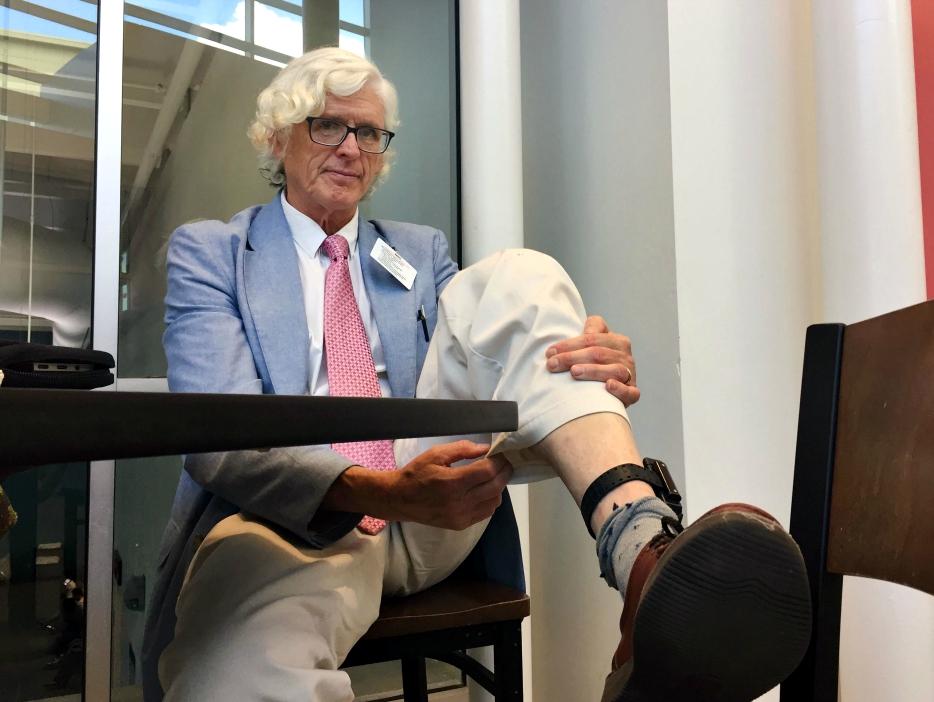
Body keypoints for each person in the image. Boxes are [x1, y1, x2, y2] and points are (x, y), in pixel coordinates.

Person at [143, 47, 812, 702]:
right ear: (277, 137)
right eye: (328, 125)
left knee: (521, 276)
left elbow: (499, 352)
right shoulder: (215, 253)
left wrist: (584, 359)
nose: (351, 147)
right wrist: (381, 490)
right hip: (288, 523)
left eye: (369, 132)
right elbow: (220, 436)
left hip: (437, 509)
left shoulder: (416, 249)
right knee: (238, 677)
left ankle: (641, 553)